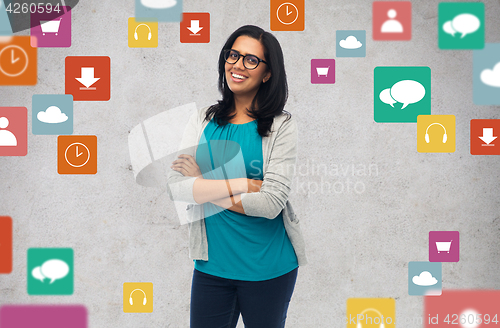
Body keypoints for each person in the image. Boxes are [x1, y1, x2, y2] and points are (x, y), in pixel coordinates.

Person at [167, 25, 307, 328]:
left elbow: (270, 204)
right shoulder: (203, 119)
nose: (238, 65)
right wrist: (244, 185)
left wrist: (202, 185)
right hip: (211, 266)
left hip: (268, 267)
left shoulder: (282, 126)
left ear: (268, 73)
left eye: (251, 60)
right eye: (233, 55)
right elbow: (177, 187)